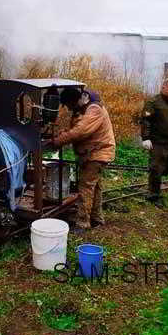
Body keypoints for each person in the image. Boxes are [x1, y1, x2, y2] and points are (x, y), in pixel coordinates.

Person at [50, 88, 116, 233]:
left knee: (85, 187)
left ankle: (82, 223)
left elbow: (81, 131)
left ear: (74, 100)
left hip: (97, 153)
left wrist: (58, 141)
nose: (68, 108)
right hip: (93, 152)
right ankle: (97, 219)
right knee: (95, 187)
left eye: (68, 105)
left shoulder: (93, 109)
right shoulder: (83, 108)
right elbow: (76, 127)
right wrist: (64, 133)